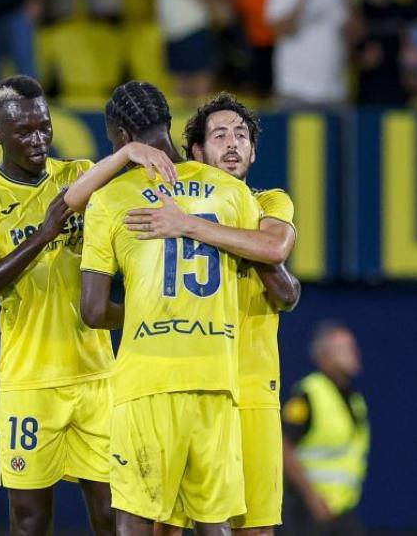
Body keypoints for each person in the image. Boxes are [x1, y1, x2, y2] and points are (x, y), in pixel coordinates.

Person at [0, 75, 173, 536]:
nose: (38, 139)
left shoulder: (78, 175)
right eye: (24, 131)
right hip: (29, 382)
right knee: (31, 520)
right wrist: (44, 233)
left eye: (44, 126)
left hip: (98, 377)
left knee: (115, 514)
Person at [78, 81, 261, 536]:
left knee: (137, 519)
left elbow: (93, 310)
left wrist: (144, 314)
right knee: (214, 522)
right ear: (169, 124)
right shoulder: (230, 191)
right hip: (217, 376)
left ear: (122, 138)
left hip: (147, 382)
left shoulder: (109, 199)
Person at [116, 93, 301, 536]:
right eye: (219, 135)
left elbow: (276, 253)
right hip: (186, 381)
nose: (233, 143)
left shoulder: (268, 201)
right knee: (166, 525)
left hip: (251, 387)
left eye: (241, 135)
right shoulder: (165, 202)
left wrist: (190, 225)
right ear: (197, 152)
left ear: (253, 152)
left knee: (254, 528)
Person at [282, 321, 369, 536]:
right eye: (343, 349)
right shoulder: (309, 394)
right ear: (323, 357)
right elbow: (283, 446)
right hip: (309, 511)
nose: (354, 354)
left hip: (342, 508)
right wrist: (312, 498)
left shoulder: (355, 400)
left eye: (353, 347)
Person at [265, 0, 351, 106]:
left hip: (333, 93)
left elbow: (355, 35)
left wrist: (350, 1)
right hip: (294, 92)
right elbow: (283, 30)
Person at [156, 0, 226, 100]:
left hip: (175, 25)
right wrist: (215, 5)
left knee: (183, 83)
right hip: (190, 23)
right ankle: (199, 112)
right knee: (198, 83)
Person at [350, 0, 409, 106]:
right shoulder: (356, 10)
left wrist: (409, 53)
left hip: (398, 92)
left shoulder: (402, 10)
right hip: (367, 93)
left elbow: (410, 47)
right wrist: (360, 59)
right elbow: (346, 49)